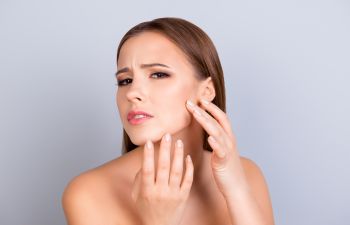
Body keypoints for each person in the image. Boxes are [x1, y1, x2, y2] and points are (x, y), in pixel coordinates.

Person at [62, 17, 275, 225]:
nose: (132, 92)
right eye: (125, 80)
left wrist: (236, 189)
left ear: (207, 90)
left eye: (158, 75)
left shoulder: (245, 174)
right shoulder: (89, 193)